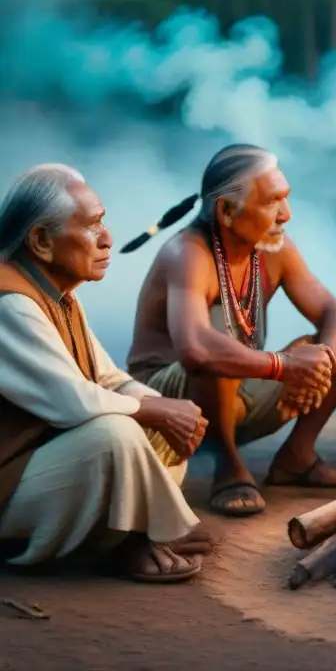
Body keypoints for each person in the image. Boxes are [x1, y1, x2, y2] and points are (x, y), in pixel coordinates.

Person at [124, 144, 336, 518]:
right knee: (216, 353)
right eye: (273, 202)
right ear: (227, 211)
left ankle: (296, 457)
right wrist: (285, 366)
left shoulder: (273, 249)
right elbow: (196, 350)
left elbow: (334, 313)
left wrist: (321, 363)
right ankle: (228, 466)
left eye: (286, 198)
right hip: (170, 407)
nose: (287, 214)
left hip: (240, 392)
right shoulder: (187, 254)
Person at [0, 164, 212, 583]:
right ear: (41, 241)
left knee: (155, 422)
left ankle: (142, 527)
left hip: (37, 465)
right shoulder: (11, 301)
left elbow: (107, 377)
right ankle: (136, 538)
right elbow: (73, 402)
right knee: (116, 433)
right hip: (6, 485)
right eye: (93, 225)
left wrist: (166, 408)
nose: (108, 237)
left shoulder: (55, 293)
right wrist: (155, 412)